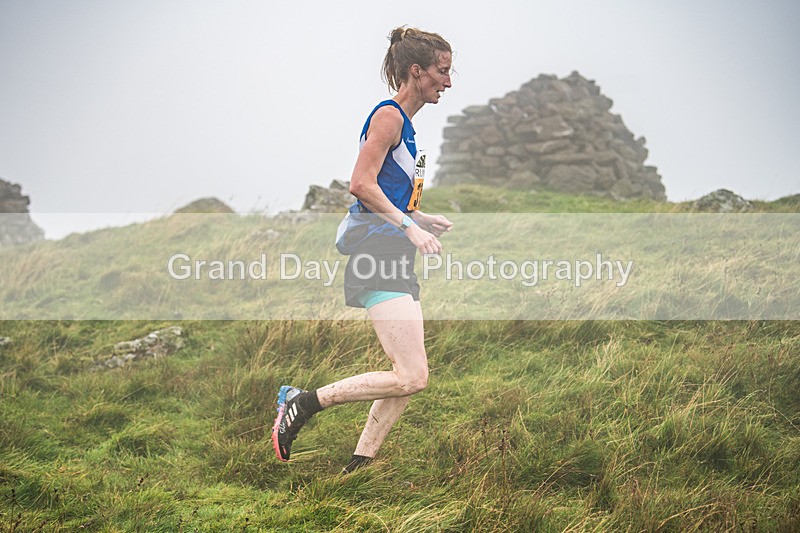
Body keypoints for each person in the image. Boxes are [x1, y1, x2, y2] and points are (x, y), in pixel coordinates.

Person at [271, 26, 454, 473]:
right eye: (442, 71)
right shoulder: (389, 116)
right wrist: (410, 228)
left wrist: (420, 217)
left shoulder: (406, 126)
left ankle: (358, 467)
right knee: (412, 376)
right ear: (417, 71)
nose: (448, 82)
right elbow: (360, 184)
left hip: (393, 255)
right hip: (378, 256)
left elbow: (384, 190)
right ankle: (305, 402)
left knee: (408, 379)